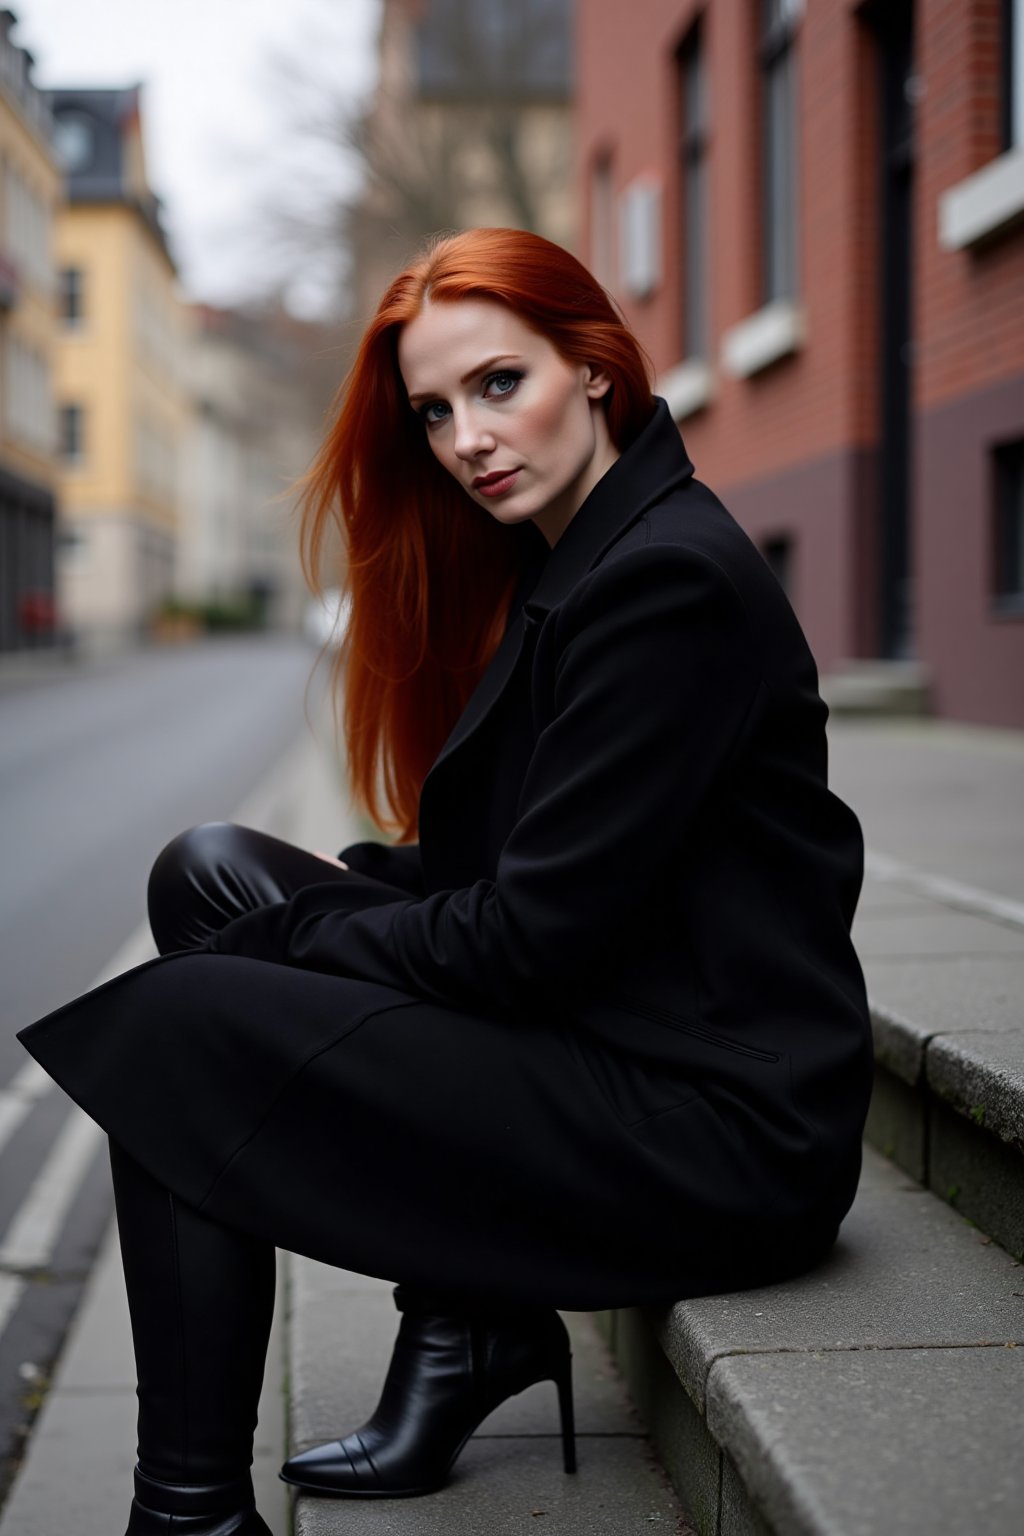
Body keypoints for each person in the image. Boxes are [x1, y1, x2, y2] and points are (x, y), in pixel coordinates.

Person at [17, 227, 874, 1535]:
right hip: (618, 1025)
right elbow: (523, 867)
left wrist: (306, 944)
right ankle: (469, 1322)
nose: (469, 437)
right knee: (211, 877)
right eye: (434, 410)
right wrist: (323, 908)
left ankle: (186, 1517)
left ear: (594, 368)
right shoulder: (580, 553)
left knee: (187, 1030)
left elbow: (523, 939)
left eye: (499, 385)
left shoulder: (666, 585)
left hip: (716, 1128)